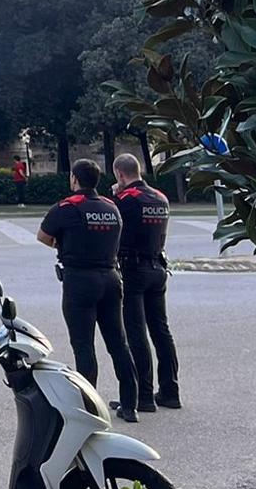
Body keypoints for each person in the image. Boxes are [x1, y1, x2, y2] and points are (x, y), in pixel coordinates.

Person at [38, 160, 139, 421]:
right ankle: (130, 404)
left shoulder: (66, 207)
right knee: (118, 343)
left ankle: (88, 407)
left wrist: (67, 243)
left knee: (84, 346)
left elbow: (43, 236)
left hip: (79, 280)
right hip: (110, 277)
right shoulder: (111, 207)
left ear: (74, 179)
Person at [113, 153, 181, 411]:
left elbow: (114, 223)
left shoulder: (125, 200)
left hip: (134, 269)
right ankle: (170, 390)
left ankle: (142, 395)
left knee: (136, 331)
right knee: (161, 330)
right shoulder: (160, 198)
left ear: (120, 174)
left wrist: (115, 195)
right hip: (158, 267)